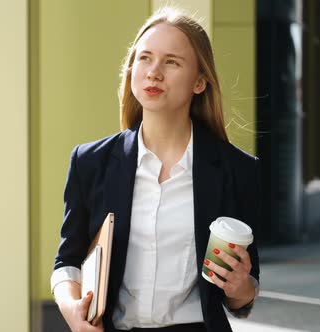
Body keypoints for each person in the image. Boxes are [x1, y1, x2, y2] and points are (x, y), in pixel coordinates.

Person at [50, 7, 260, 332]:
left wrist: (240, 288)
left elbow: (244, 293)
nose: (154, 72)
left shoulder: (236, 170)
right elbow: (67, 261)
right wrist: (72, 311)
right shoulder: (89, 162)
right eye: (145, 58)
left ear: (200, 82)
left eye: (171, 62)